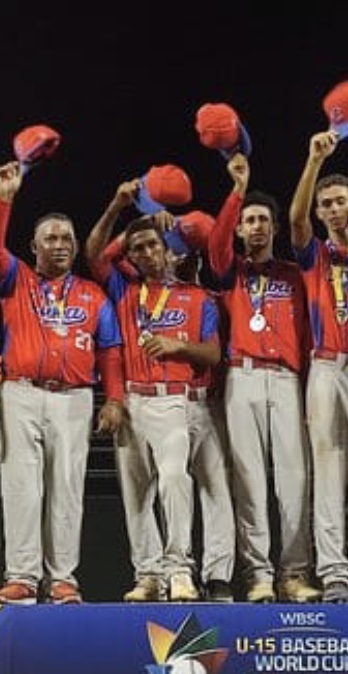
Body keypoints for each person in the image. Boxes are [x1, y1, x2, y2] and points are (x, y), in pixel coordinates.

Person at [0, 159, 127, 605]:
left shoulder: (93, 294)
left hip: (75, 397)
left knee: (67, 487)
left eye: (66, 239)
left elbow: (111, 351)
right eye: (51, 239)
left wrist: (115, 398)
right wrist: (4, 197)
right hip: (22, 392)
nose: (60, 245)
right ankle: (22, 577)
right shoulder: (16, 280)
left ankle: (62, 578)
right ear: (34, 246)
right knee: (21, 485)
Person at [85, 184, 222, 603]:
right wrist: (119, 206)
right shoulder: (125, 291)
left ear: (170, 251)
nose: (145, 254)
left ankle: (180, 568)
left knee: (175, 482)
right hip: (132, 400)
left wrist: (178, 346)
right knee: (137, 492)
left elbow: (214, 353)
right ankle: (146, 572)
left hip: (172, 400)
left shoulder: (197, 296)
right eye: (137, 248)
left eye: (152, 246)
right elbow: (93, 253)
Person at [206, 152, 317, 604]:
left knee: (294, 479)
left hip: (287, 378)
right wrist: (236, 190)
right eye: (248, 220)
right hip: (242, 378)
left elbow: (310, 334)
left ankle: (294, 572)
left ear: (273, 228)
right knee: (249, 479)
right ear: (238, 228)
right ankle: (258, 574)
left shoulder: (294, 275)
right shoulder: (228, 271)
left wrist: (310, 391)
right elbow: (214, 246)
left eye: (262, 220)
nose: (255, 226)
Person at [288, 130, 348, 603]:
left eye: (338, 201)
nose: (330, 209)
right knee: (327, 469)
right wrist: (313, 161)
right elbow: (295, 218)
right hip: (326, 367)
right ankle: (334, 571)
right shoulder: (314, 257)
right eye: (324, 203)